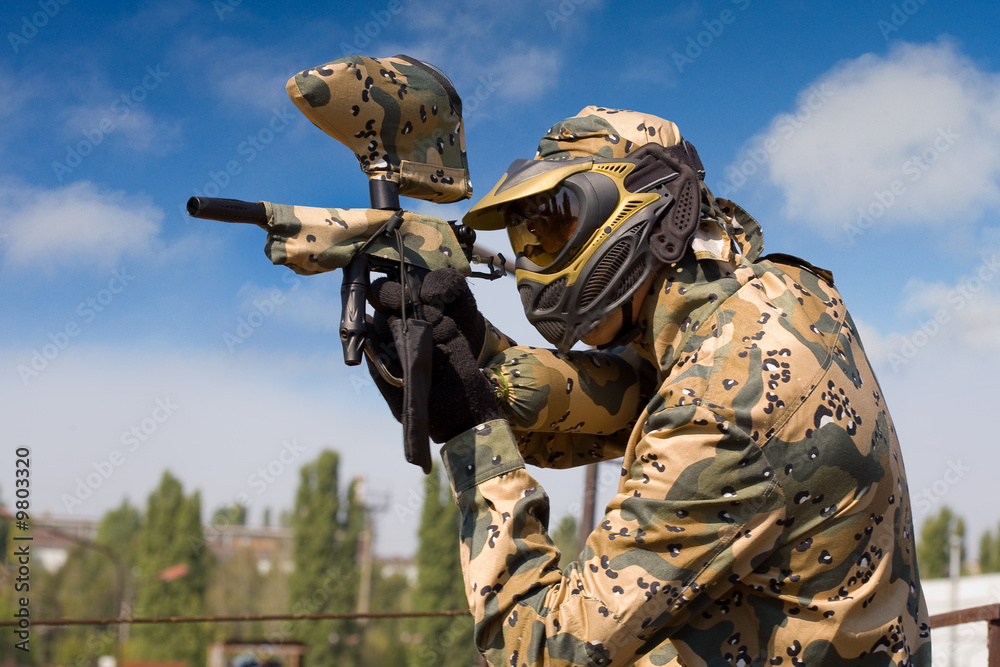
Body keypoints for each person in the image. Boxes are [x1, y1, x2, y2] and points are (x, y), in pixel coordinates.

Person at [367, 106, 931, 666]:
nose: (533, 264)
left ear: (643, 208)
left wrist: (470, 436)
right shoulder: (780, 295)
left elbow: (541, 649)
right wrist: (475, 347)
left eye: (556, 226)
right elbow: (635, 397)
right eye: (527, 240)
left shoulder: (722, 410)